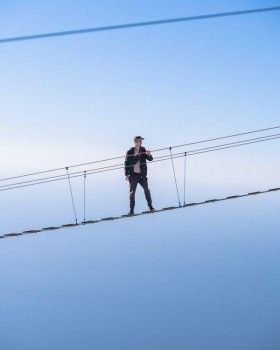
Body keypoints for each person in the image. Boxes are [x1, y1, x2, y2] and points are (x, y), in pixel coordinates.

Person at [124, 136, 154, 215]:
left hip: (142, 175)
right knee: (132, 193)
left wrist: (149, 154)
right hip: (133, 175)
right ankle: (131, 210)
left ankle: (150, 207)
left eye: (141, 141)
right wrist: (126, 174)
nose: (140, 143)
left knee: (146, 190)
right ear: (135, 142)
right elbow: (126, 163)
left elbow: (150, 159)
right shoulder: (130, 152)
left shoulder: (143, 150)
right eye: (139, 141)